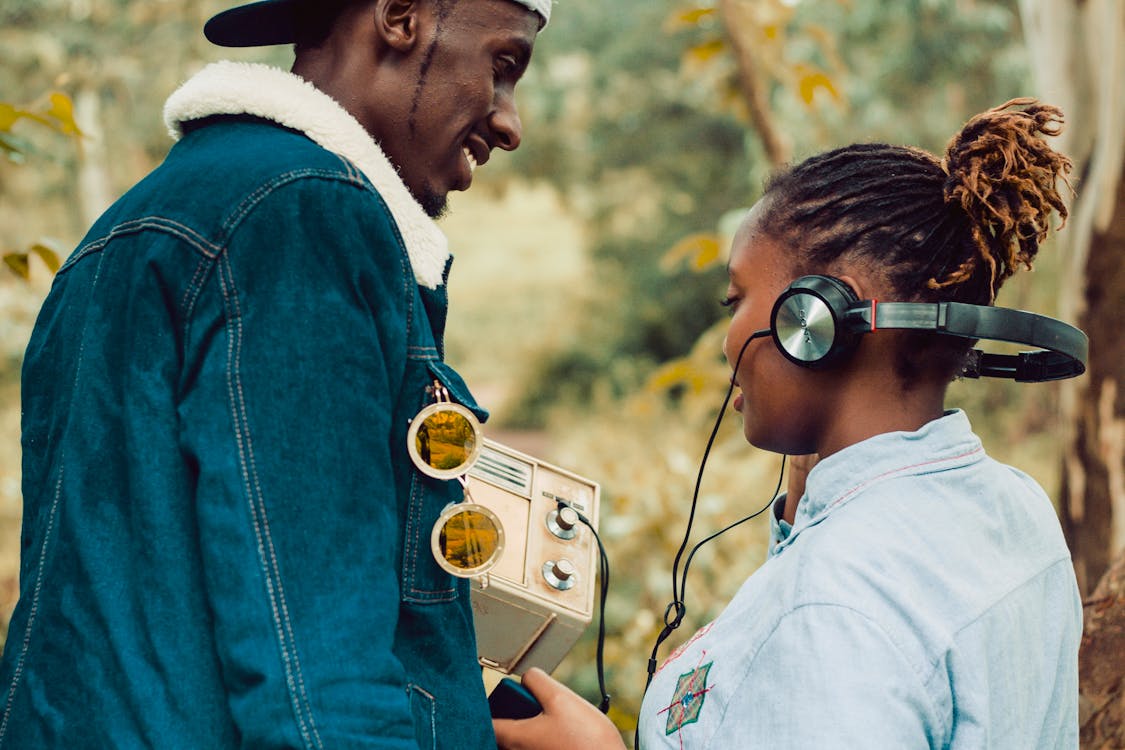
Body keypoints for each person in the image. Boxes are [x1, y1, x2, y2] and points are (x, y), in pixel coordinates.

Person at [0, 0, 550, 747]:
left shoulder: (126, 229)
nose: (510, 122)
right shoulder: (306, 213)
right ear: (398, 16)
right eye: (503, 66)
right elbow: (315, 681)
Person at [493, 99, 1082, 749]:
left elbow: (842, 632)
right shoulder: (1014, 506)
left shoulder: (832, 607)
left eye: (736, 299)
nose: (727, 341)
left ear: (818, 321)